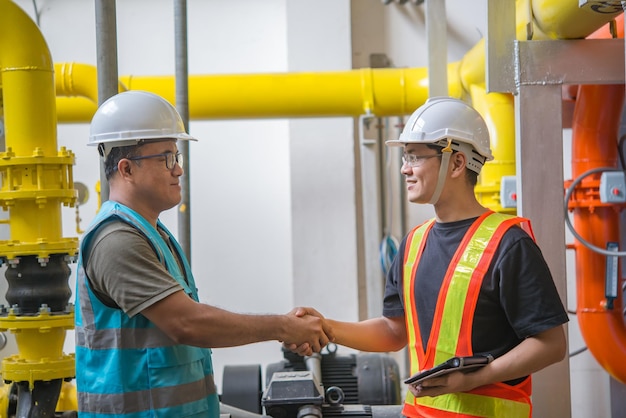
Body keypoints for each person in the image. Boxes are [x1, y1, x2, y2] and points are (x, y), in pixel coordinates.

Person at [290, 97, 568, 417]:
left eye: (415, 157)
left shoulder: (508, 245)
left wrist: (477, 377)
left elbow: (551, 345)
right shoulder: (414, 244)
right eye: (405, 156)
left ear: (458, 163)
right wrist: (325, 327)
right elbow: (394, 332)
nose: (405, 168)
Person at [74, 90, 332, 418]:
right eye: (166, 158)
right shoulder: (117, 240)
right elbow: (186, 323)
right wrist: (282, 327)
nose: (178, 170)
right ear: (127, 169)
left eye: (177, 157)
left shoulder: (154, 235)